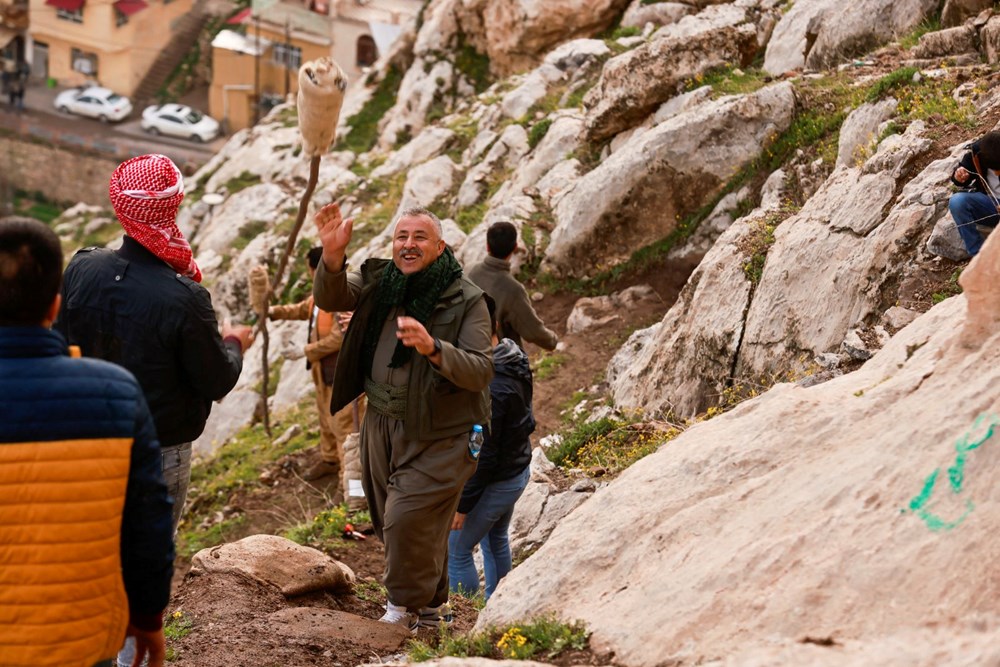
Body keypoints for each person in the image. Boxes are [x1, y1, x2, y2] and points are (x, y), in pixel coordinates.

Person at [54, 154, 252, 666]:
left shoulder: (82, 268)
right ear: (173, 207)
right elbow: (217, 380)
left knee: (91, 550)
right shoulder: (185, 298)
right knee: (144, 557)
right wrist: (234, 343)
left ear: (121, 208)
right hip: (158, 448)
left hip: (86, 440)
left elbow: (58, 341)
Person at [0, 218, 175, 667]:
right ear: (55, 304)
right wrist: (148, 615)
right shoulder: (115, 395)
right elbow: (148, 522)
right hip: (82, 637)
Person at [313, 202, 493, 630]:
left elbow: (480, 369)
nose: (408, 245)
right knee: (393, 517)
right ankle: (432, 610)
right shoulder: (379, 280)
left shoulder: (466, 299)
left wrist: (434, 348)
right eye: (402, 236)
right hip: (381, 422)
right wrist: (333, 256)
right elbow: (332, 296)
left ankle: (399, 608)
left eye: (419, 237)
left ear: (440, 246)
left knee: (404, 519)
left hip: (441, 431)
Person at [448, 295, 533, 600]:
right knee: (495, 539)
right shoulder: (512, 355)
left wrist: (463, 506)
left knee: (456, 549)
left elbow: (483, 454)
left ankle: (464, 616)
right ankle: (497, 608)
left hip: (498, 480)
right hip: (516, 469)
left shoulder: (492, 386)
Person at [268, 246, 365, 485]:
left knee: (345, 427)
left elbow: (339, 337)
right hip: (323, 373)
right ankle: (330, 460)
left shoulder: (342, 297)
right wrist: (272, 312)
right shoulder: (320, 297)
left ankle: (351, 486)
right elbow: (302, 310)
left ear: (316, 269)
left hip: (343, 375)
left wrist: (306, 351)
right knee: (325, 419)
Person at [467, 221, 558, 351]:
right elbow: (532, 331)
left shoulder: (469, 270)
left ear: (487, 246)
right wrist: (552, 340)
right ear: (514, 247)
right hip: (496, 358)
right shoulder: (512, 289)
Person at [949, 131, 1000, 257]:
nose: (996, 174)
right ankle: (977, 255)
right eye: (995, 170)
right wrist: (959, 176)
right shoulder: (977, 154)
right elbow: (959, 178)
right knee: (957, 201)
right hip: (991, 206)